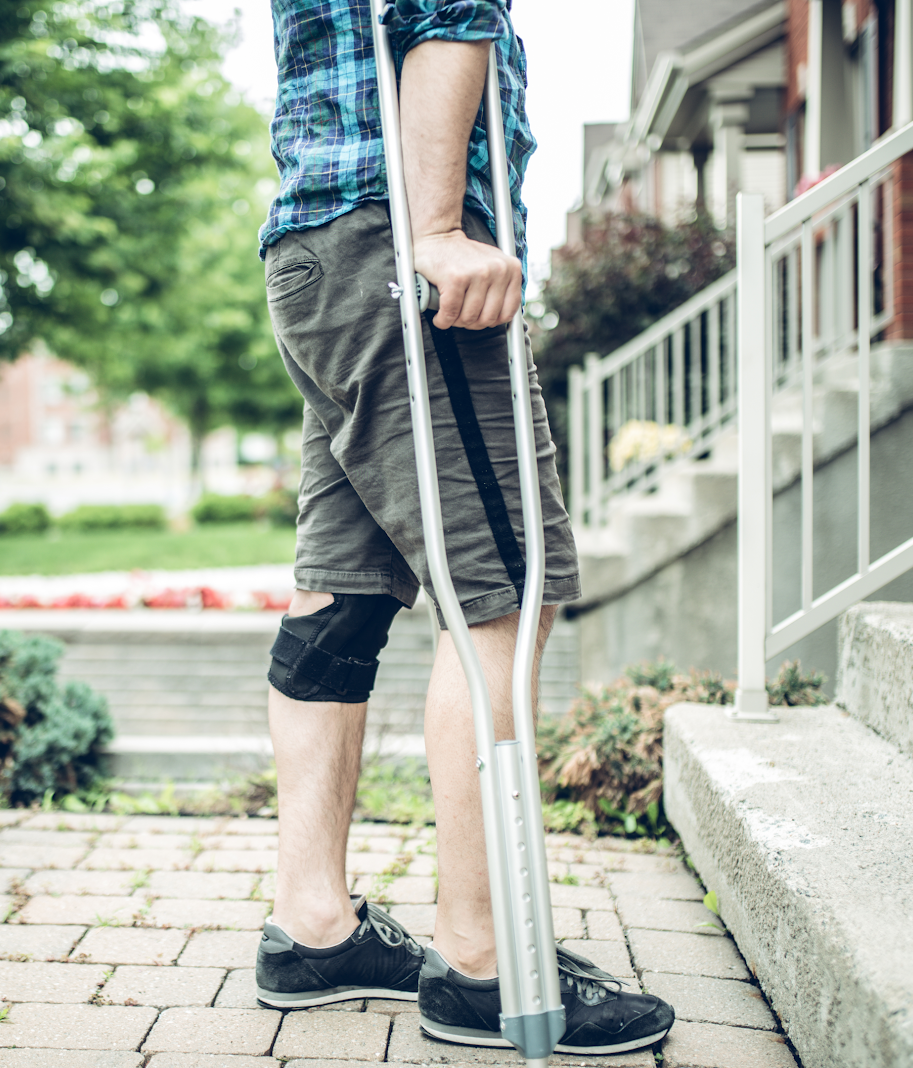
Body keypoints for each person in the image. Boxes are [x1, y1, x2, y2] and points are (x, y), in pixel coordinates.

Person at [249, 0, 675, 1056]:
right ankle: (486, 964)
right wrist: (437, 229)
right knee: (503, 590)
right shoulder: (418, 233)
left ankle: (313, 931)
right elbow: (446, 11)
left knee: (338, 595)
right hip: (401, 256)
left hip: (318, 250)